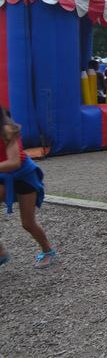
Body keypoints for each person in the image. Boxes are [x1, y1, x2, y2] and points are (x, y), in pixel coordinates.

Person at [0, 108, 56, 269]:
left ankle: (48, 251)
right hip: (3, 175)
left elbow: (14, 162)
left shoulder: (7, 130)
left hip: (24, 176)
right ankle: (1, 252)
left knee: (28, 223)